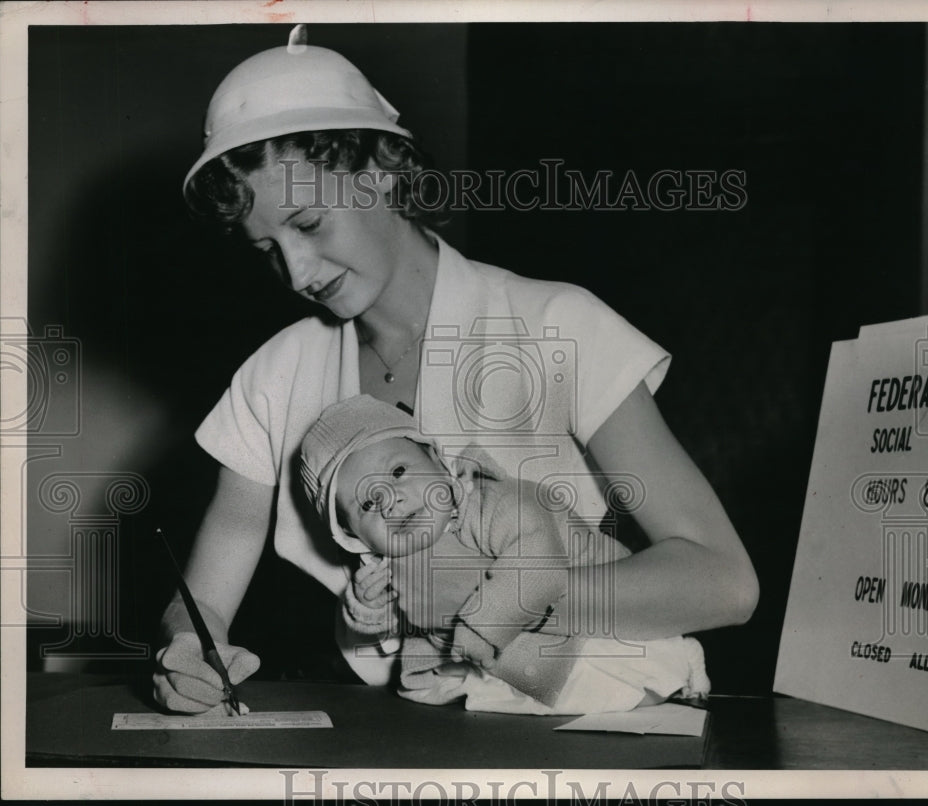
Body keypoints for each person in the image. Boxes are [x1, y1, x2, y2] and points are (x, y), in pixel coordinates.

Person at [153, 26, 758, 715]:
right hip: (399, 737)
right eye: (266, 248)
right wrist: (186, 649)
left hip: (584, 723)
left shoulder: (557, 323)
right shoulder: (275, 375)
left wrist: (495, 597)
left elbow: (724, 582)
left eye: (311, 224)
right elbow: (203, 597)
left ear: (380, 169)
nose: (296, 272)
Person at [298, 393, 712, 715]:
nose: (390, 501)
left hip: (590, 617)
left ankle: (678, 658)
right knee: (456, 689)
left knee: (615, 679)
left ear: (438, 462)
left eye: (398, 472)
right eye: (367, 505)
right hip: (499, 656)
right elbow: (401, 615)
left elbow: (538, 556)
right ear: (354, 537)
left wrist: (481, 628)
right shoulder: (395, 559)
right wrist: (370, 609)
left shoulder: (495, 501)